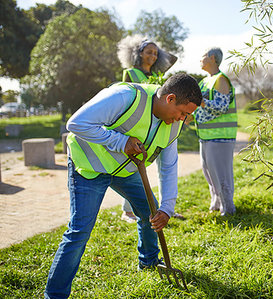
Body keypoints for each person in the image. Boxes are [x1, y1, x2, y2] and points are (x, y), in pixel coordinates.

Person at [44, 74, 202, 299]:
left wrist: (167, 207)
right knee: (80, 231)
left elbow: (168, 167)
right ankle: (55, 295)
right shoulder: (126, 97)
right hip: (89, 168)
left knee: (152, 212)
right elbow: (76, 124)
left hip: (126, 171)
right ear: (170, 99)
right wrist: (120, 142)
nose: (183, 119)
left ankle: (148, 262)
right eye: (183, 113)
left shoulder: (173, 127)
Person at [117, 34, 182, 222]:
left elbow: (173, 60)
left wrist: (159, 53)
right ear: (138, 53)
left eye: (156, 53)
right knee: (134, 170)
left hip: (158, 126)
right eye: (148, 52)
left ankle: (165, 208)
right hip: (137, 126)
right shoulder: (130, 73)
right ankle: (128, 211)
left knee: (165, 168)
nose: (153, 56)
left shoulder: (157, 76)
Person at [191, 47, 238, 216]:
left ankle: (229, 208)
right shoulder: (204, 81)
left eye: (203, 55)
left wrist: (200, 101)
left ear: (212, 58)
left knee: (221, 174)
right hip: (205, 136)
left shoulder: (220, 79)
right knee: (209, 172)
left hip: (221, 137)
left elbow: (221, 107)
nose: (200, 58)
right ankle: (217, 203)